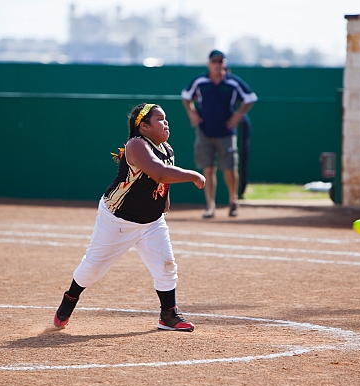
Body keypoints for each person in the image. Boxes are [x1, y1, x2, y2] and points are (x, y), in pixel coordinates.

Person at [53, 103, 205, 332]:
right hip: (118, 219)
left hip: (151, 220)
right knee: (94, 267)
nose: (166, 123)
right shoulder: (136, 145)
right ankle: (69, 299)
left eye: (165, 119)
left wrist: (164, 201)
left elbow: (164, 179)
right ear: (143, 127)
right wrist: (193, 174)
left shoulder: (166, 148)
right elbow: (160, 172)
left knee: (166, 265)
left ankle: (168, 315)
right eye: (159, 119)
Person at [181, 50, 258, 218]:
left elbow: (250, 97)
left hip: (226, 133)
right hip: (204, 131)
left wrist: (238, 115)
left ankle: (233, 201)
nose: (217, 64)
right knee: (207, 169)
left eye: (220, 61)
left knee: (230, 169)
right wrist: (191, 113)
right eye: (214, 61)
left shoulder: (233, 82)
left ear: (224, 63)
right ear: (209, 63)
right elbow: (186, 96)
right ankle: (210, 205)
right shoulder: (200, 81)